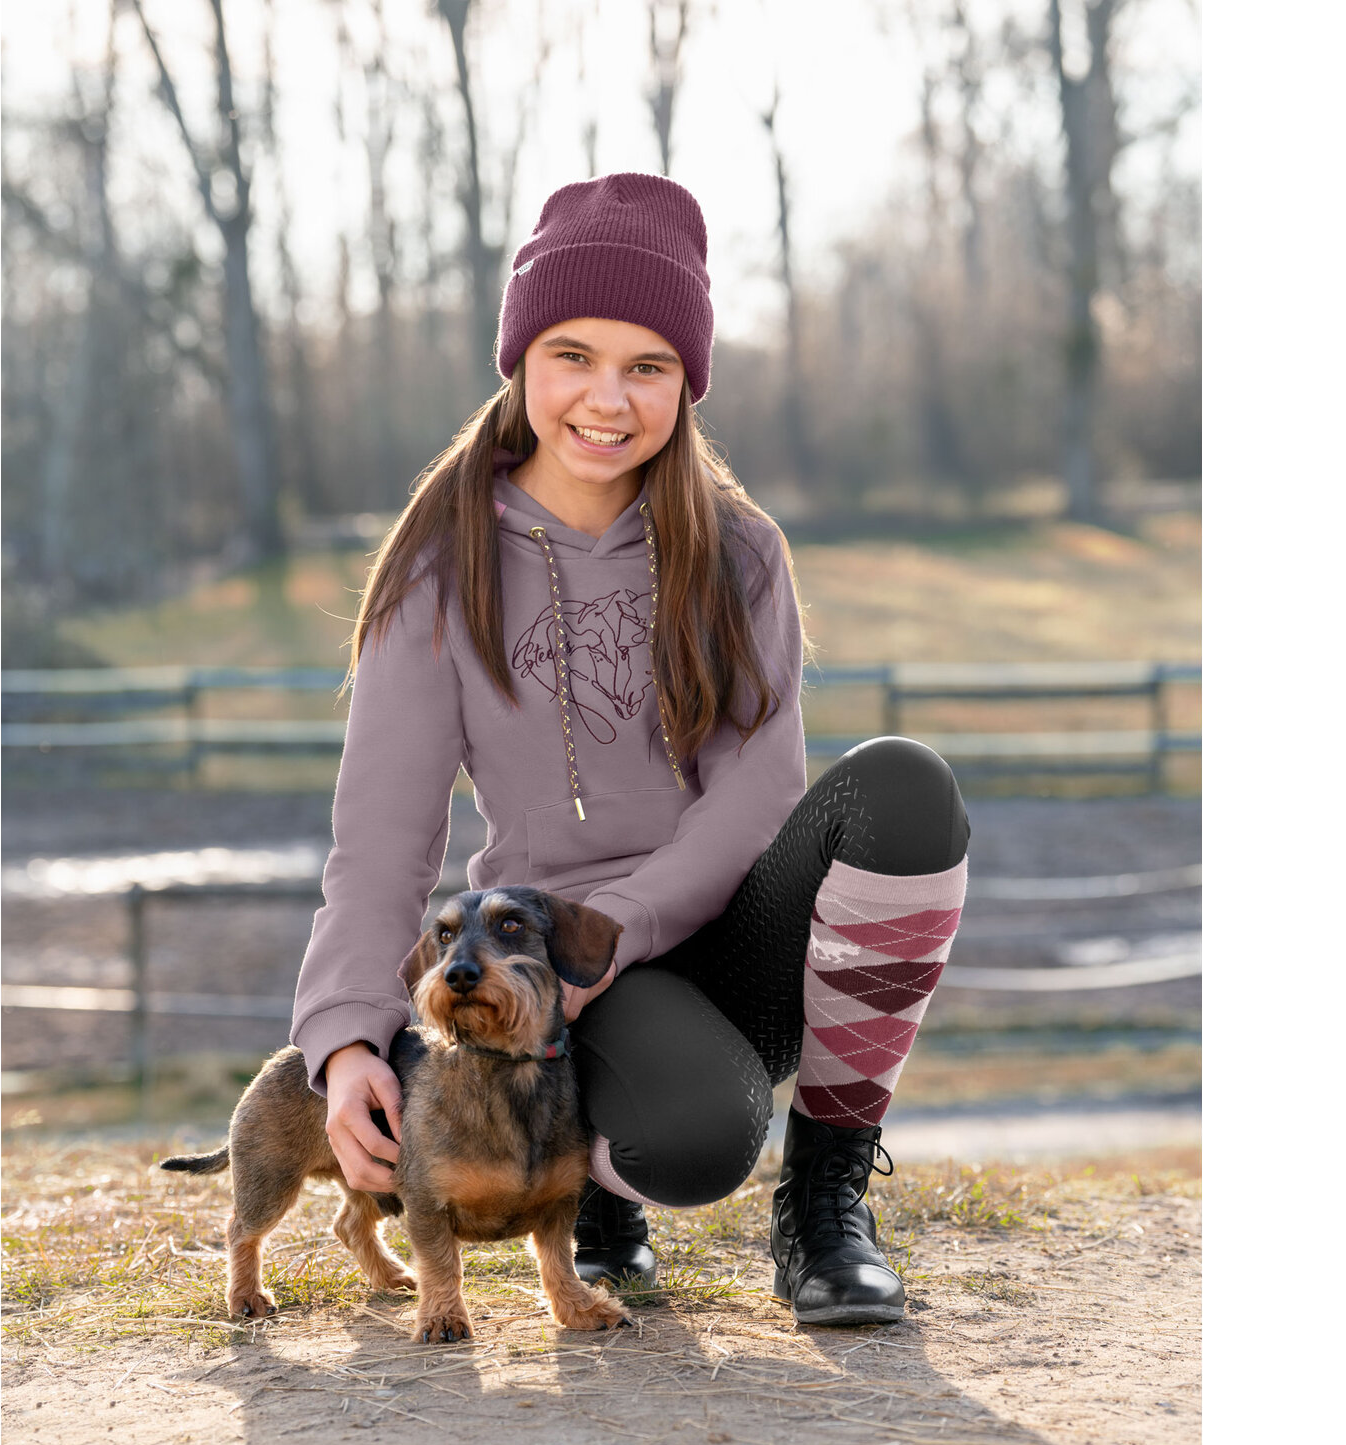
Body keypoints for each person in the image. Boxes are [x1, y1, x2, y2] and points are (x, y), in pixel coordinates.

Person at [292, 172, 969, 1326]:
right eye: (572, 354)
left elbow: (757, 795)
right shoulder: (438, 568)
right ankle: (597, 1198)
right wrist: (344, 1036)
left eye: (646, 366)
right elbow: (384, 834)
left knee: (903, 788)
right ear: (519, 362)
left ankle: (822, 1205)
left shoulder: (741, 553)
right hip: (558, 969)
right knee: (691, 1141)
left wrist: (630, 928)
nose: (606, 398)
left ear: (686, 385)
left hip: (727, 936)